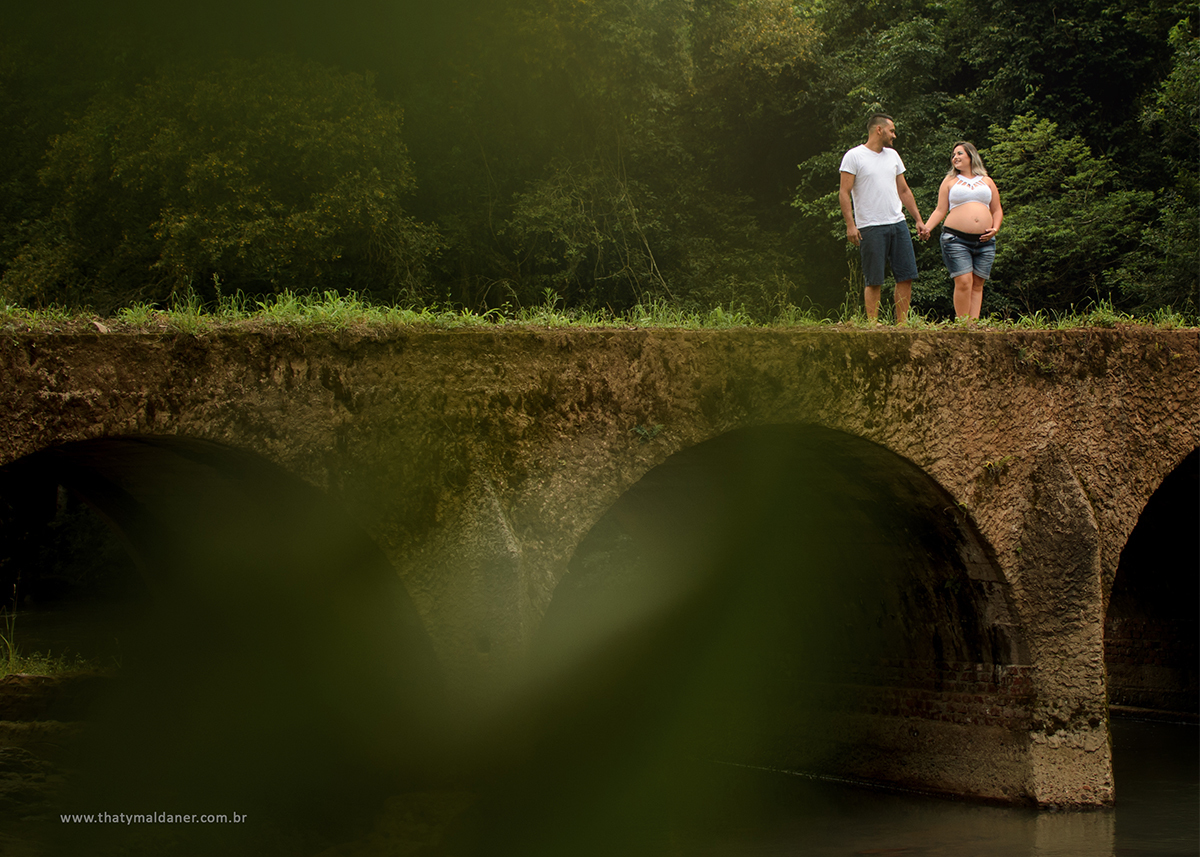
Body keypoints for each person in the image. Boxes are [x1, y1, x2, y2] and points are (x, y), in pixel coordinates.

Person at [838, 114, 926, 325]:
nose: (894, 135)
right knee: (874, 279)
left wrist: (918, 220)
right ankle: (872, 324)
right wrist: (851, 225)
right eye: (892, 131)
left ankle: (902, 324)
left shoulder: (893, 155)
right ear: (879, 130)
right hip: (870, 226)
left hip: (897, 223)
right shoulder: (854, 156)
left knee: (906, 275)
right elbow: (844, 192)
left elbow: (904, 190)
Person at [919, 141, 1004, 320]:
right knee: (964, 281)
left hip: (985, 240)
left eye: (959, 154)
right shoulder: (950, 181)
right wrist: (927, 228)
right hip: (956, 239)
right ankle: (963, 324)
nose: (955, 157)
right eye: (953, 155)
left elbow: (996, 209)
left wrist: (995, 228)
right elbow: (940, 210)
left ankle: (973, 325)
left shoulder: (987, 181)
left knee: (978, 283)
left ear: (971, 156)